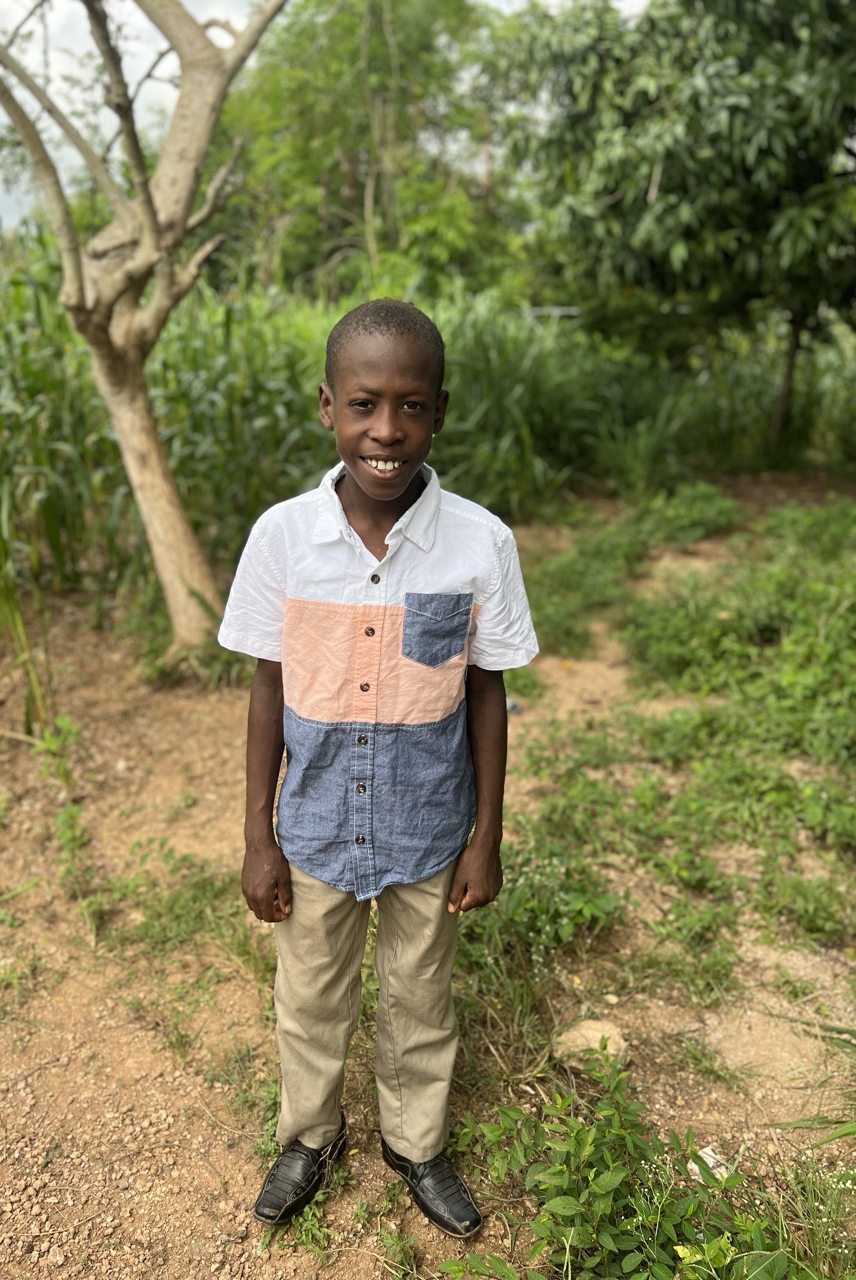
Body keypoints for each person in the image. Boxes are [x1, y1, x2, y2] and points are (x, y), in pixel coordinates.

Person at [217, 298, 538, 1239]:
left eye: (410, 406)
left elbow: (486, 695)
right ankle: (310, 1137)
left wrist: (486, 837)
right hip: (314, 825)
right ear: (329, 407)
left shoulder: (480, 542)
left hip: (427, 825)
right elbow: (267, 690)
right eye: (363, 405)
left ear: (440, 411)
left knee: (420, 996)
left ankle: (416, 1144)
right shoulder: (283, 538)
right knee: (309, 997)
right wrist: (258, 838)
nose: (386, 431)